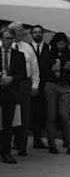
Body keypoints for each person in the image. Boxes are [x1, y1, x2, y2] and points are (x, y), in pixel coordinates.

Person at [8, 21, 39, 156]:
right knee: (8, 115)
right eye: (20, 31)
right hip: (7, 85)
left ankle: (22, 146)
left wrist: (35, 84)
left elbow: (34, 67)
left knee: (24, 116)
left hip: (24, 84)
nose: (23, 33)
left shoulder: (27, 47)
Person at [45, 32, 70, 155]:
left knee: (65, 115)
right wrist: (62, 67)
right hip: (51, 85)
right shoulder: (48, 54)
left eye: (64, 42)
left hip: (65, 86)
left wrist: (62, 68)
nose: (62, 44)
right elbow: (45, 70)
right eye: (59, 42)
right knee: (51, 115)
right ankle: (51, 144)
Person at [1, 27, 26, 164]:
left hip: (10, 92)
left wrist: (11, 79)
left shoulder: (18, 55)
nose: (9, 41)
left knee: (8, 124)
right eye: (6, 38)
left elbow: (22, 75)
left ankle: (6, 152)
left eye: (11, 38)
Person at [30, 25, 52, 149]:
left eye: (39, 32)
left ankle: (38, 139)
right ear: (31, 34)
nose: (37, 34)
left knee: (41, 112)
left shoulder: (48, 48)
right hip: (31, 83)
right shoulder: (28, 47)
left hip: (44, 83)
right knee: (29, 112)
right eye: (35, 32)